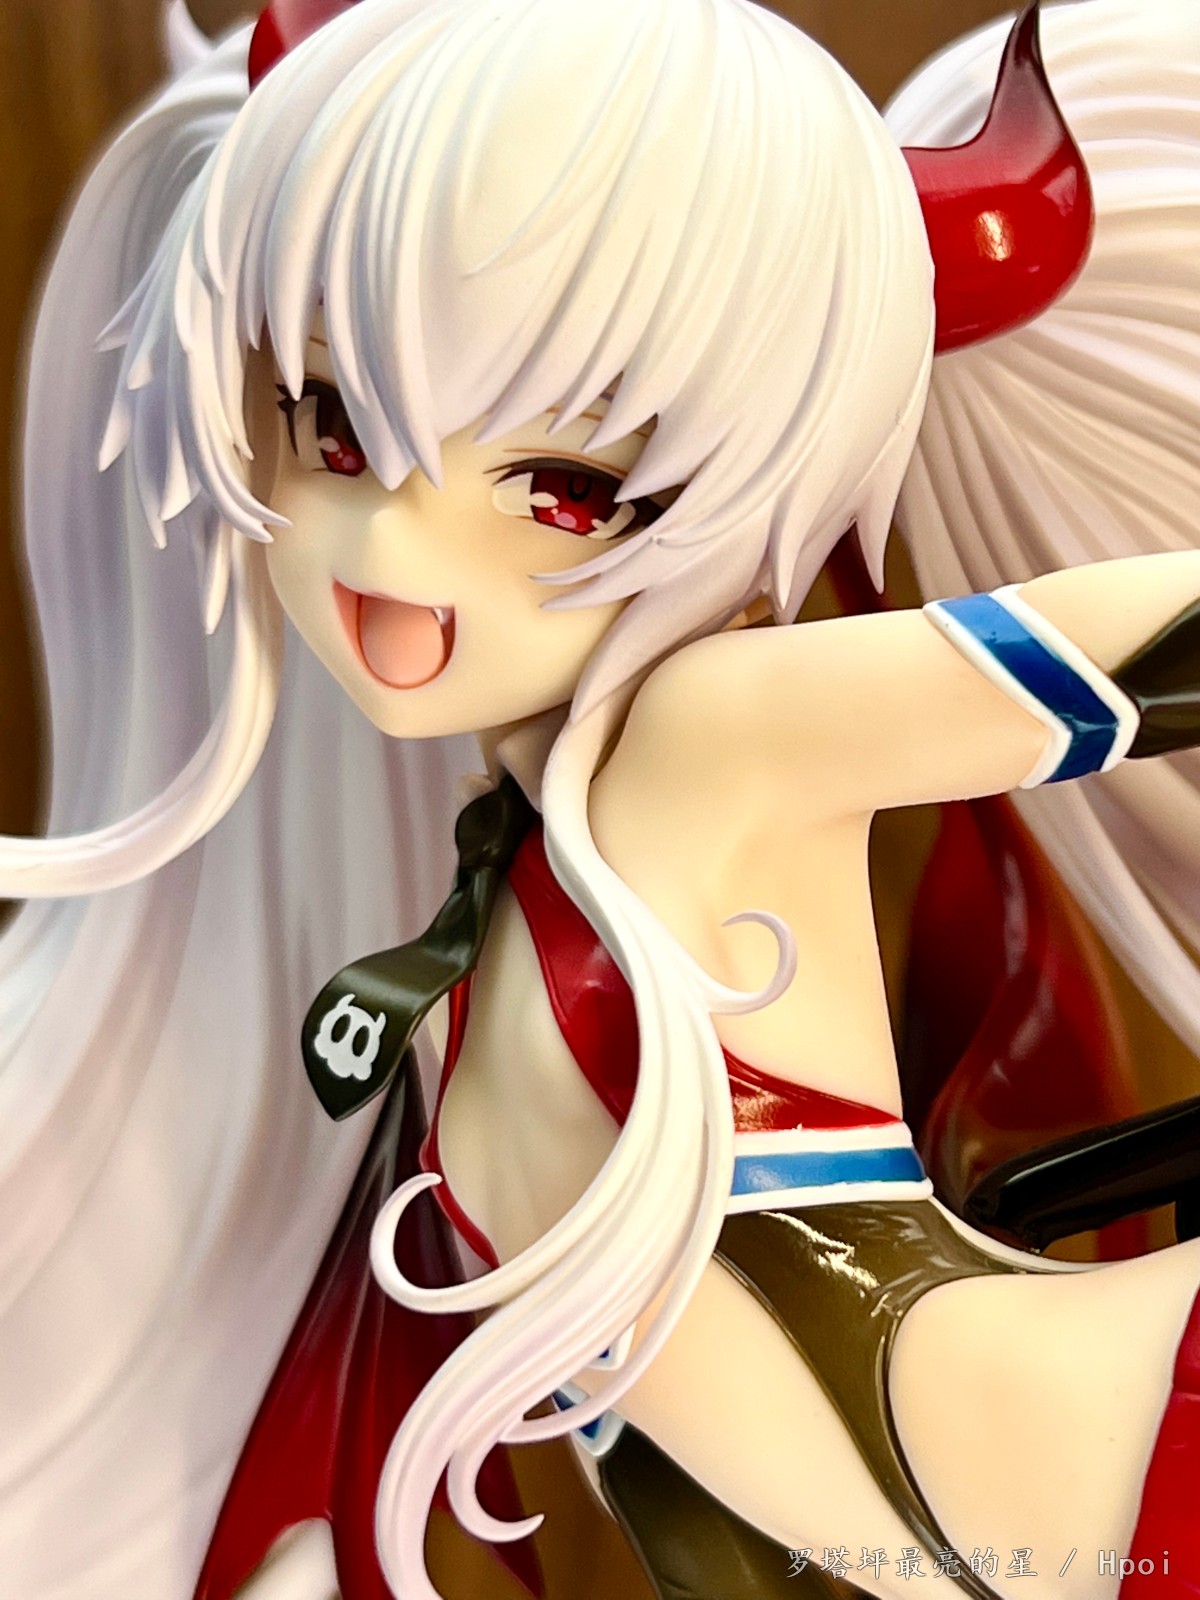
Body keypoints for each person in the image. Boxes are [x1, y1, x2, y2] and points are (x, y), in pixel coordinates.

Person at [2, 3, 1198, 1599]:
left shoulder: (718, 736)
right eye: (332, 429)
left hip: (1115, 1476)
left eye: (569, 491)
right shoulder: (485, 886)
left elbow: (1143, 645)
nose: (391, 548)